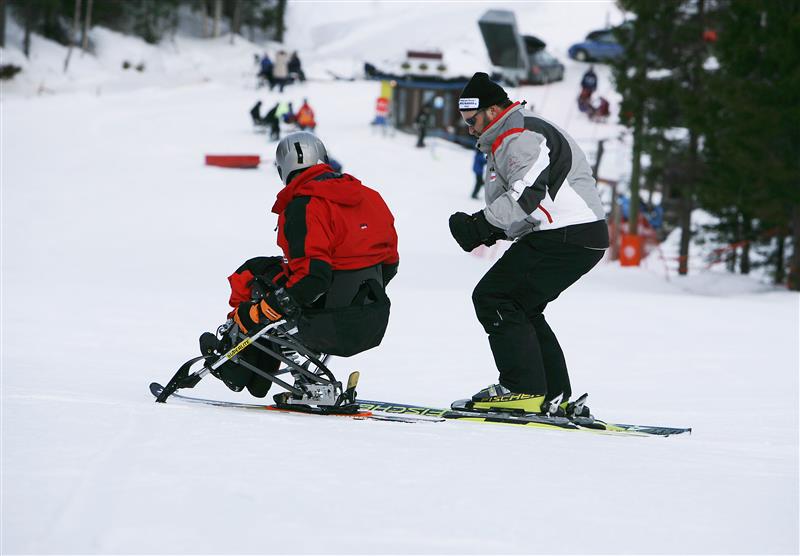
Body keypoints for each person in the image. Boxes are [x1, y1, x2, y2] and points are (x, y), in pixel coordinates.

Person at [449, 72, 608, 417]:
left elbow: (529, 193)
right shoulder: (506, 136)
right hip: (573, 234)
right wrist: (492, 231)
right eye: (464, 121)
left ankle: (522, 390)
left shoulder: (520, 135)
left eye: (472, 119)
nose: (469, 128)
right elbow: (528, 203)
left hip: (568, 233)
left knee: (494, 297)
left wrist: (481, 224)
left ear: (492, 111)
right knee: (521, 306)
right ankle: (553, 395)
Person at [212, 132, 399, 397]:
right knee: (273, 270)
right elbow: (389, 263)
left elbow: (313, 279)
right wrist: (358, 294)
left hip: (326, 320)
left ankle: (242, 359)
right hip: (371, 314)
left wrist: (264, 311)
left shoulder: (305, 205)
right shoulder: (371, 196)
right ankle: (267, 356)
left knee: (251, 275)